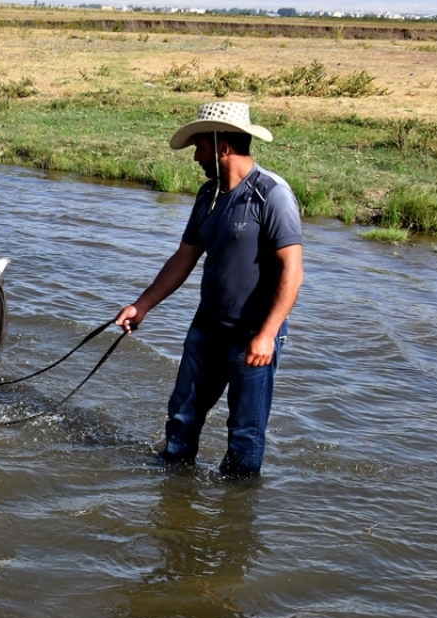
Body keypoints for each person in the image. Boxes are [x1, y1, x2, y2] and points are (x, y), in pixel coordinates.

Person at [114, 101, 304, 479]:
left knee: (244, 433)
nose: (196, 157)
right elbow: (183, 259)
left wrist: (267, 336)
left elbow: (292, 271)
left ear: (222, 147)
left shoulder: (272, 194)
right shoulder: (208, 196)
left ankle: (236, 506)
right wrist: (142, 305)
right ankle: (173, 488)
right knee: (182, 414)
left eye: (200, 147)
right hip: (207, 328)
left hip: (254, 336)